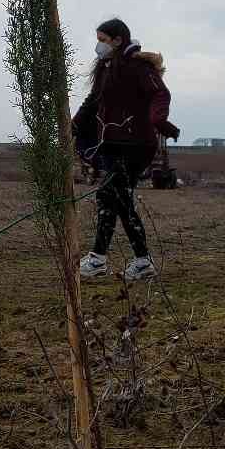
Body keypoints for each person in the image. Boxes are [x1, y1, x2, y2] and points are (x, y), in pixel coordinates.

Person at [73, 19, 180, 281]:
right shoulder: (107, 68)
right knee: (110, 197)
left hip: (135, 144)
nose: (98, 46)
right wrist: (74, 125)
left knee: (115, 196)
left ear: (118, 40)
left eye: (103, 40)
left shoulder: (138, 67)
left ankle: (138, 261)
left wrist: (158, 120)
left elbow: (160, 94)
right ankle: (102, 260)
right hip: (111, 143)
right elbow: (93, 99)